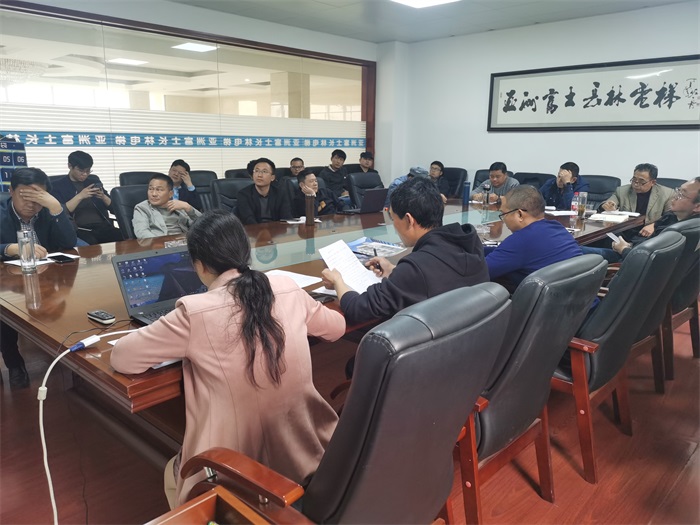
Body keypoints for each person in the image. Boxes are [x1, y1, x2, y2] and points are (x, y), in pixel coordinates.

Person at [110, 210, 345, 508]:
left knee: (173, 472)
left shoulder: (194, 312)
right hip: (308, 455)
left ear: (198, 265)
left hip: (232, 472)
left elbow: (122, 358)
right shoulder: (286, 287)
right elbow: (336, 328)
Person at [322, 176, 488, 326]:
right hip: (471, 339)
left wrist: (338, 281)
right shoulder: (468, 243)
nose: (394, 226)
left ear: (409, 220)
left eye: (393, 218)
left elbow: (359, 309)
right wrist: (395, 271)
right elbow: (441, 276)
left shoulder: (417, 266)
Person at [1, 167, 77, 389]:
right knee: (4, 314)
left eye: (38, 197)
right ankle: (14, 362)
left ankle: (67, 356)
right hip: (7, 282)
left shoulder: (47, 212)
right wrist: (11, 248)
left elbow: (68, 242)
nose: (31, 203)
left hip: (45, 278)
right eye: (24, 195)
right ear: (11, 191)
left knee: (68, 303)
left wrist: (56, 208)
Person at [485, 185, 582, 292]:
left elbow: (479, 273)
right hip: (581, 298)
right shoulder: (557, 227)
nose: (503, 219)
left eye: (503, 214)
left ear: (519, 214)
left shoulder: (520, 241)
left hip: (551, 301)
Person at [583, 177, 700, 264]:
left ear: (698, 206)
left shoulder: (678, 231)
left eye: (682, 194)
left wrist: (624, 249)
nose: (675, 196)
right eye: (678, 190)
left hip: (626, 260)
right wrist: (629, 245)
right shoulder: (672, 216)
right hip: (633, 247)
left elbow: (649, 262)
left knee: (575, 250)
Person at [50, 150, 123, 244]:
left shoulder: (93, 181)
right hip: (79, 229)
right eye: (81, 171)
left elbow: (114, 209)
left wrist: (103, 197)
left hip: (103, 226)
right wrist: (80, 196)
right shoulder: (57, 186)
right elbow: (61, 212)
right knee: (90, 242)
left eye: (88, 171)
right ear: (70, 166)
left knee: (124, 236)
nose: (85, 174)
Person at [600, 163, 674, 231]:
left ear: (653, 182)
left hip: (651, 233)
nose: (636, 184)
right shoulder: (622, 191)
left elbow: (670, 218)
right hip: (626, 231)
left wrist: (654, 226)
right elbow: (609, 202)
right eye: (634, 180)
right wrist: (607, 206)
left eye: (641, 181)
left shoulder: (667, 194)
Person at [133, 174, 201, 239]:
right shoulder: (142, 208)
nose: (154, 194)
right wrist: (162, 243)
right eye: (150, 189)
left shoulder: (178, 206)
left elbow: (203, 225)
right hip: (159, 244)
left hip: (184, 243)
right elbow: (142, 232)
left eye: (159, 190)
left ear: (170, 194)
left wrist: (188, 208)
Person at [236, 157, 293, 224]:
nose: (259, 175)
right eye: (256, 171)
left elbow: (286, 217)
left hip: (276, 229)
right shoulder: (244, 194)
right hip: (254, 229)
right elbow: (248, 219)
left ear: (272, 177)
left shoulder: (280, 193)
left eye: (264, 171)